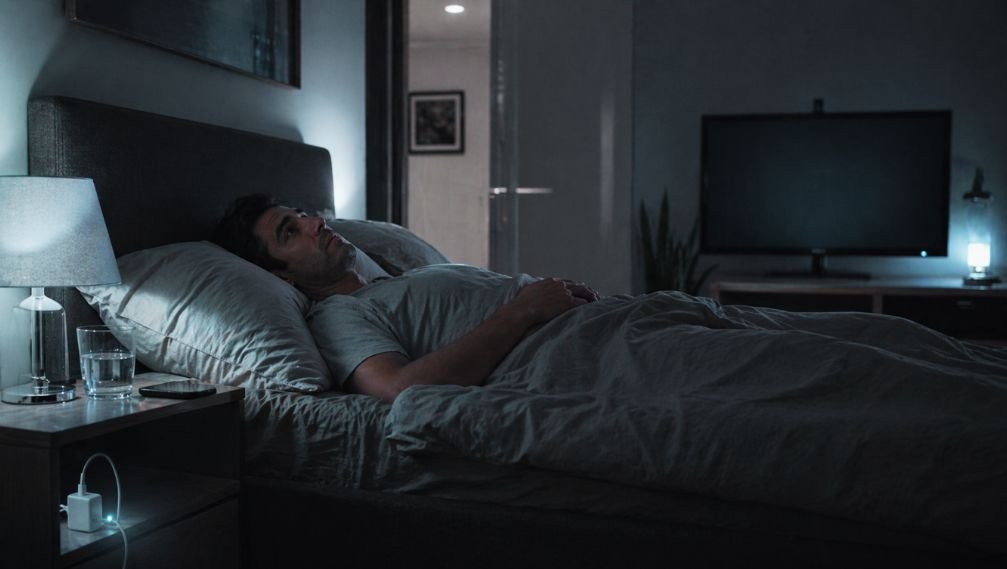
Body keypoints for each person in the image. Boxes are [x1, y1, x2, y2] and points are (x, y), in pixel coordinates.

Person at [213, 194, 600, 402]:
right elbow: (398, 388)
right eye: (290, 232)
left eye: (302, 215)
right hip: (570, 355)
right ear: (280, 274)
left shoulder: (392, 284)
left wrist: (551, 294)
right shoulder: (339, 316)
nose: (316, 222)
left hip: (597, 323)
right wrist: (524, 310)